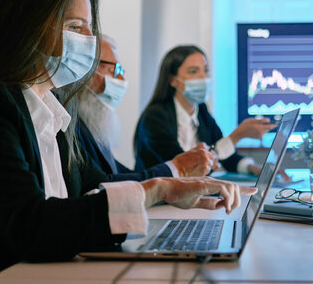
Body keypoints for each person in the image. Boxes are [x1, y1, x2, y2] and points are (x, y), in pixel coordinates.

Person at [0, 0, 256, 284]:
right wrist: (158, 189)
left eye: (88, 29)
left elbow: (91, 187)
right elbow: (30, 226)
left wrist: (172, 191)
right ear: (23, 27)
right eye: (74, 27)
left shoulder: (52, 110)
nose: (87, 41)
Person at [70, 35, 215, 189]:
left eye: (206, 71)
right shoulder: (73, 127)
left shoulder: (202, 111)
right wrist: (178, 168)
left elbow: (118, 175)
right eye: (114, 69)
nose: (122, 77)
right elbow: (102, 184)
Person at [134, 45, 290, 179]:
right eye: (194, 71)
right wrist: (237, 136)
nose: (203, 77)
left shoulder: (201, 110)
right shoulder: (155, 117)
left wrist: (252, 167)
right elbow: (187, 167)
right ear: (172, 80)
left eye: (206, 70)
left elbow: (224, 155)